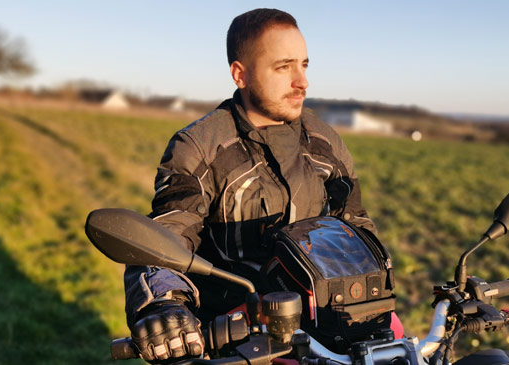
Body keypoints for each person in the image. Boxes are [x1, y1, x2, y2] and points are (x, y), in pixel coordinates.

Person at [124, 8, 377, 362]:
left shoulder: (325, 141)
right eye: (283, 67)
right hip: (239, 337)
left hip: (326, 328)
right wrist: (164, 307)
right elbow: (167, 235)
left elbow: (355, 225)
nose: (302, 81)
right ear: (240, 74)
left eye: (304, 65)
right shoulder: (200, 147)